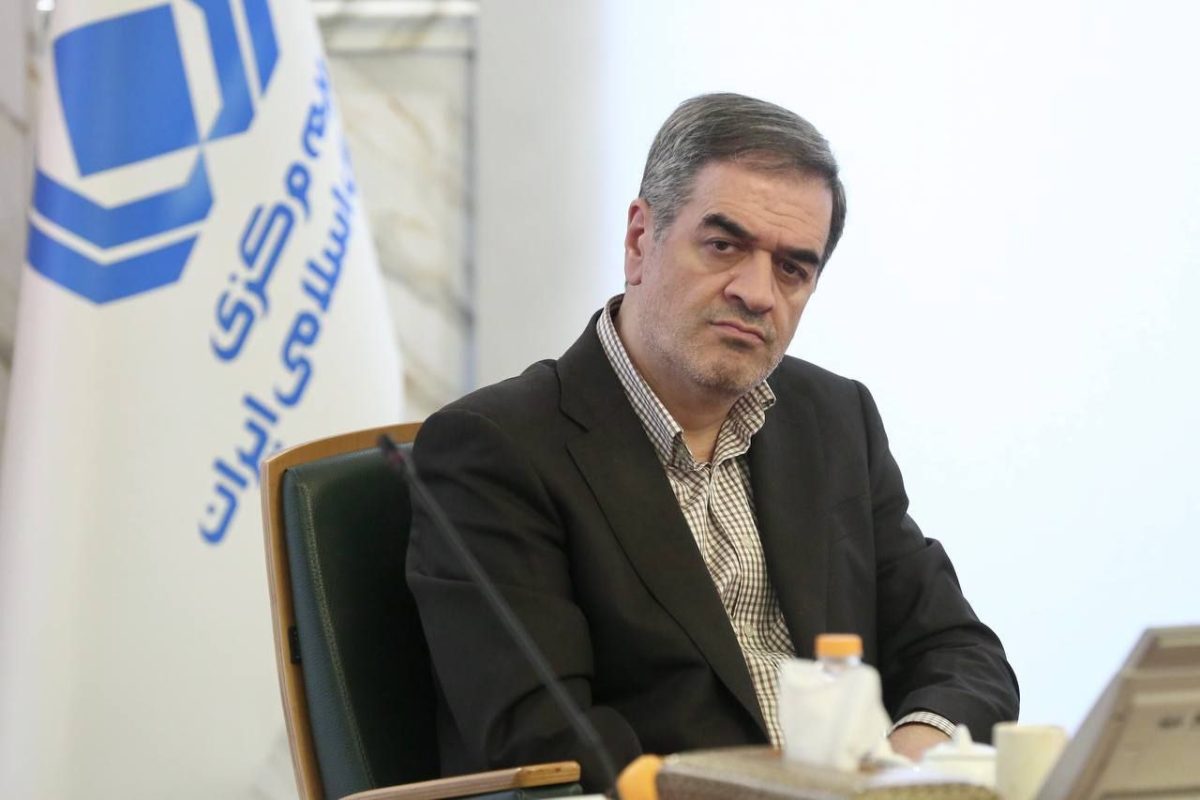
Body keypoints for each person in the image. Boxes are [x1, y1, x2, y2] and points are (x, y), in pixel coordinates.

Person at [406, 93, 1019, 791]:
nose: (758, 293)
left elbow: (960, 652)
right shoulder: (496, 449)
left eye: (792, 269)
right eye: (724, 246)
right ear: (640, 240)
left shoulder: (833, 417)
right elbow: (547, 742)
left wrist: (904, 768)